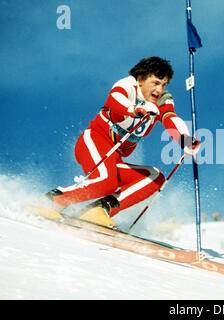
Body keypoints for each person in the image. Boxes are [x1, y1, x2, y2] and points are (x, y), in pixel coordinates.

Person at [44, 57, 200, 224]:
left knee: (155, 177)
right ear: (141, 79)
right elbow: (114, 100)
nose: (159, 89)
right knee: (107, 182)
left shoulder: (162, 100)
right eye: (155, 83)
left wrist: (184, 139)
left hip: (114, 157)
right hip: (93, 141)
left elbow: (170, 118)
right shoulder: (128, 85)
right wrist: (135, 109)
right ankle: (54, 200)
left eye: (164, 84)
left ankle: (99, 210)